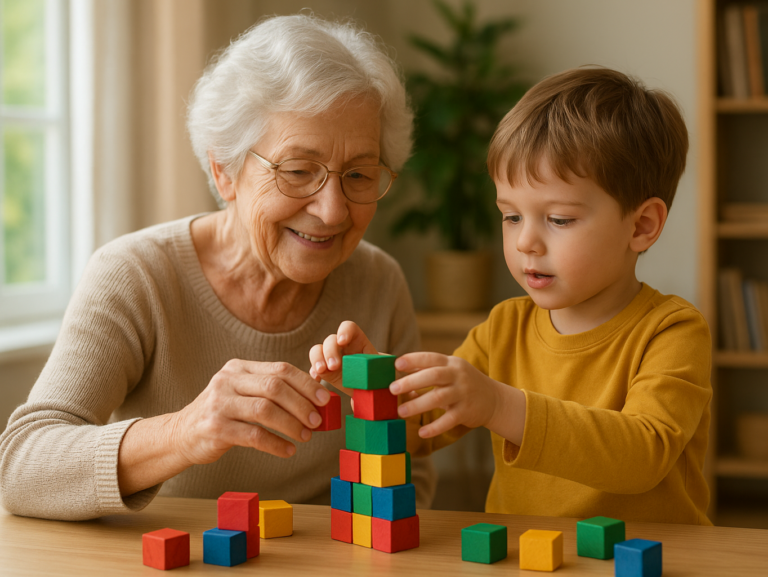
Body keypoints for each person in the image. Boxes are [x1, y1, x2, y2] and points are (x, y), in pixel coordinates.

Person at [0, 14, 435, 521]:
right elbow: (21, 467)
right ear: (223, 171)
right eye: (298, 170)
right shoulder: (137, 275)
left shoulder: (380, 281)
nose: (334, 211)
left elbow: (415, 468)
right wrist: (186, 431)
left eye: (359, 174)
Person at [311, 67, 712, 525]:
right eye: (511, 216)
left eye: (559, 219)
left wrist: (500, 405)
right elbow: (419, 434)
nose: (525, 242)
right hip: (527, 556)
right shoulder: (503, 329)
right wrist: (376, 388)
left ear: (641, 226)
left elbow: (643, 455)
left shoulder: (673, 331)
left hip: (650, 555)